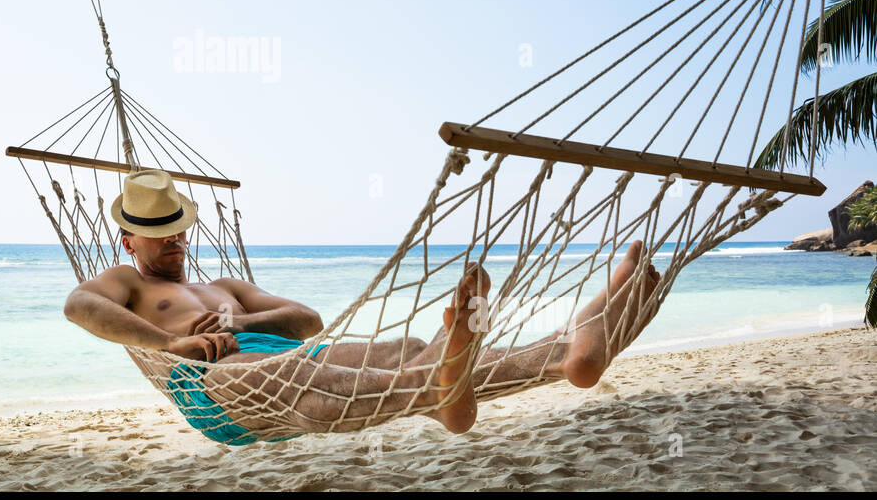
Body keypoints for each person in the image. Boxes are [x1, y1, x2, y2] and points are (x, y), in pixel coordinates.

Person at [63, 169, 659, 443]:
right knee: (296, 378)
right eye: (155, 230)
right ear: (128, 240)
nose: (171, 238)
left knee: (401, 348)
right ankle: (436, 389)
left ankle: (573, 348)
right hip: (217, 380)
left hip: (286, 355)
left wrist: (241, 318)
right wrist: (172, 343)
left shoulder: (227, 284)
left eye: (176, 227)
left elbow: (307, 321)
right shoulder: (126, 284)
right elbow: (79, 306)